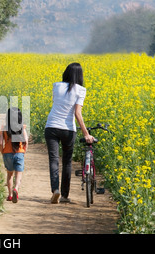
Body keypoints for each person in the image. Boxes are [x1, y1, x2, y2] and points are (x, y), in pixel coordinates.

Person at [44, 63, 94, 204]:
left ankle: (55, 190)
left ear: (66, 73)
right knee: (67, 162)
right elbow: (77, 113)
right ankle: (65, 195)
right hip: (68, 129)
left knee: (53, 160)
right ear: (80, 76)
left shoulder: (56, 86)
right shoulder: (81, 90)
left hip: (51, 126)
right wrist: (86, 134)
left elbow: (56, 102)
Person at [0, 107, 28, 203]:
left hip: (7, 153)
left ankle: (10, 195)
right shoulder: (22, 127)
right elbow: (26, 141)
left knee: (10, 174)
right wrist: (23, 151)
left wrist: (2, 151)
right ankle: (16, 188)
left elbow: (0, 142)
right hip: (19, 152)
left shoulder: (4, 128)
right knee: (18, 173)